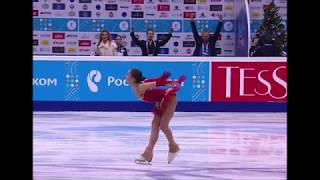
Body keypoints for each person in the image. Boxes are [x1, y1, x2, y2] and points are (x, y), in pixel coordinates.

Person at [125, 69, 186, 164]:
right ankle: (148, 153)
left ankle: (173, 146)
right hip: (160, 101)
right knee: (154, 125)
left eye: (127, 75)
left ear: (133, 79)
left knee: (163, 125)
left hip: (169, 98)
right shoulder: (137, 86)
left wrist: (174, 82)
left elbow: (158, 82)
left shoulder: (141, 86)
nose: (125, 76)